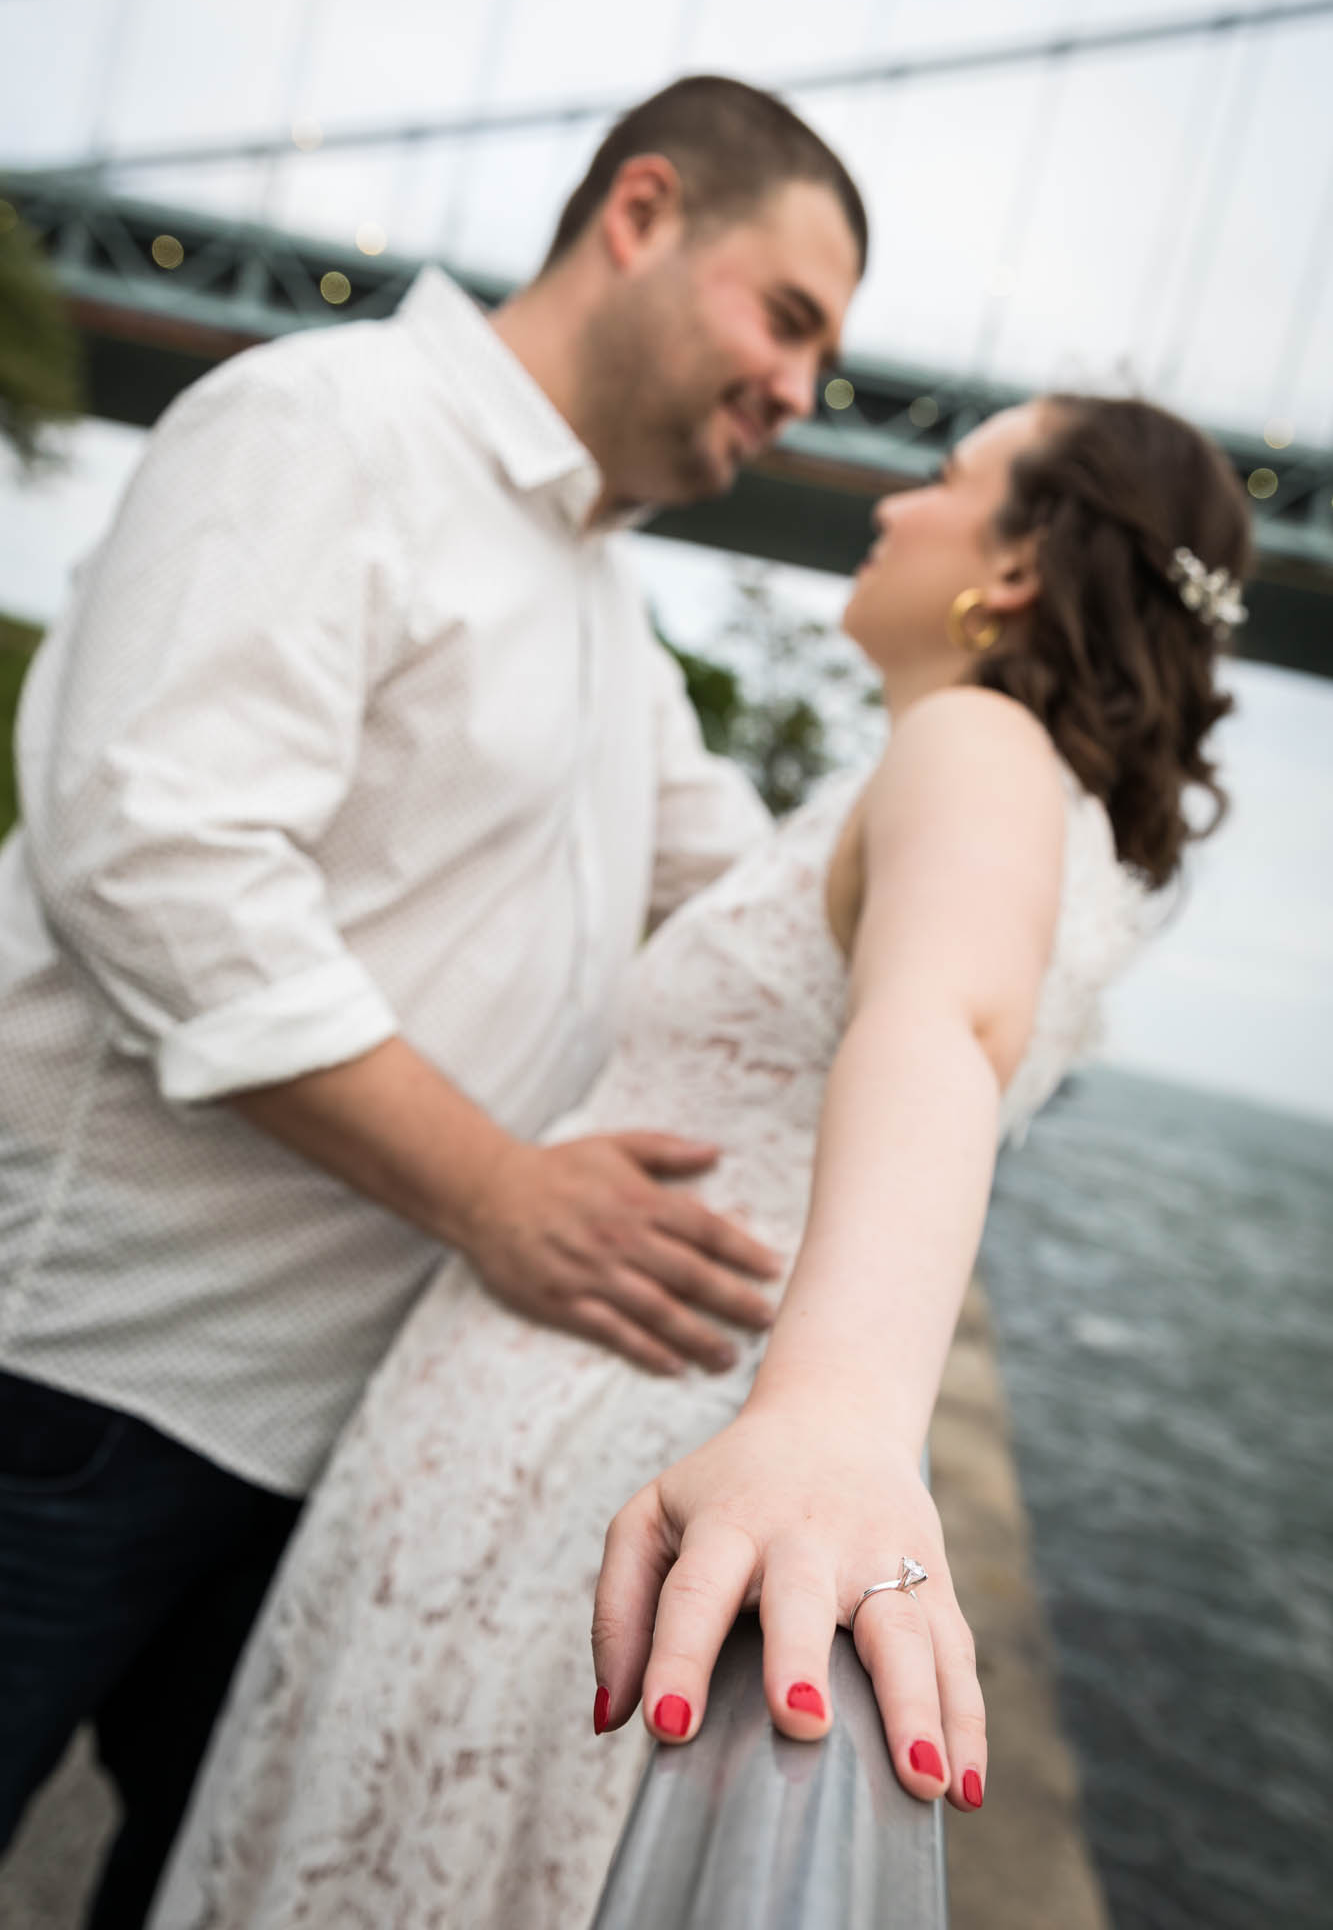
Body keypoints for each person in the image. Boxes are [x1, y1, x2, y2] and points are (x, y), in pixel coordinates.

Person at [147, 389, 1250, 1929]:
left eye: (938, 478)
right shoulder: (974, 790)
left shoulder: (978, 744)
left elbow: (941, 1023)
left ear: (1008, 573)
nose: (881, 504)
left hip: (593, 1469)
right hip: (567, 1434)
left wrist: (841, 1421)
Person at [0, 77, 868, 1926]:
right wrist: (495, 1190)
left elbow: (764, 904)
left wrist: (1013, 779)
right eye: (786, 317)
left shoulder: (596, 600)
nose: (804, 392)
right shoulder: (326, 423)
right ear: (639, 213)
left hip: (331, 1440)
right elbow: (157, 856)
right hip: (80, 1375)